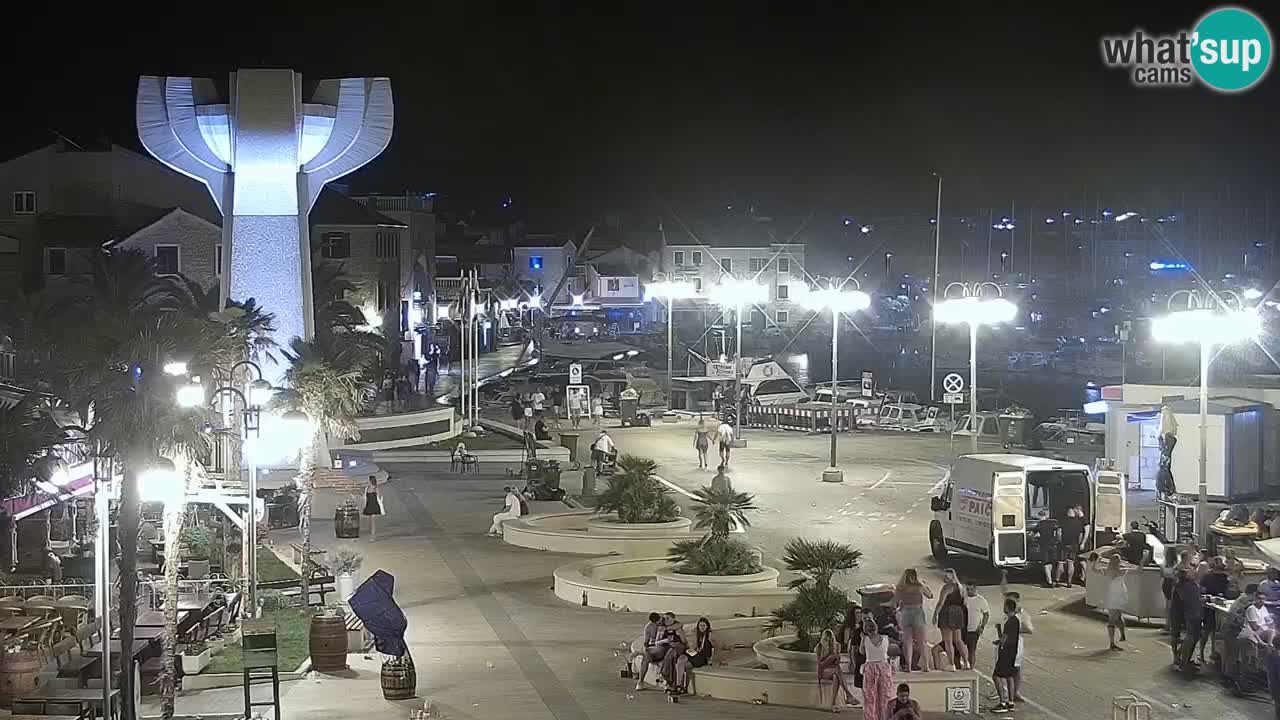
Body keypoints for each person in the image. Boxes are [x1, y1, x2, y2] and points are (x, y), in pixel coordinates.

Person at [895, 568, 933, 673]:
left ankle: (909, 666)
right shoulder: (919, 587)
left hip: (906, 613)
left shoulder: (901, 588)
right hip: (917, 612)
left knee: (908, 641)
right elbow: (930, 595)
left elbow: (897, 601)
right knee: (921, 641)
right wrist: (925, 585)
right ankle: (926, 666)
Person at [934, 569, 970, 670]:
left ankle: (951, 664)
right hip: (958, 613)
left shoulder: (947, 587)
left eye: (944, 576)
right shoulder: (960, 587)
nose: (943, 578)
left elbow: (941, 602)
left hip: (947, 613)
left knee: (948, 641)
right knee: (958, 640)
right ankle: (967, 662)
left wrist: (935, 613)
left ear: (948, 577)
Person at [861, 617, 894, 720]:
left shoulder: (865, 639)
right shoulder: (885, 638)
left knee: (870, 696)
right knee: (885, 695)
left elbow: (862, 652)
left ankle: (871, 717)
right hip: (883, 666)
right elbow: (889, 650)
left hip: (870, 667)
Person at [991, 598, 1021, 714]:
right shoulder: (1016, 620)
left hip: (1006, 653)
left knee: (996, 676)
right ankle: (1011, 702)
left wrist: (999, 635)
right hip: (1013, 652)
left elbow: (1004, 639)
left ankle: (1002, 702)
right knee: (1009, 676)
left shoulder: (1009, 622)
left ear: (1008, 608)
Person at [1199, 556, 1231, 663]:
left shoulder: (1224, 577)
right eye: (1220, 562)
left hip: (1220, 606)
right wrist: (1210, 598)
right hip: (1209, 607)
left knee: (1215, 632)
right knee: (1207, 630)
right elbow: (1202, 591)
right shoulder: (1207, 576)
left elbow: (1228, 591)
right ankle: (1202, 653)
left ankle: (1213, 652)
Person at [816, 628, 856, 711]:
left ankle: (833, 703)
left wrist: (836, 656)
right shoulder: (819, 646)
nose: (828, 641)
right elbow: (820, 664)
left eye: (830, 639)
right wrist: (830, 656)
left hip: (834, 670)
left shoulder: (837, 645)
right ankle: (848, 695)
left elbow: (837, 662)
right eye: (826, 639)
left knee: (836, 676)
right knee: (837, 669)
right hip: (824, 671)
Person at [1172, 568, 1204, 671]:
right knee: (1191, 637)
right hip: (1193, 613)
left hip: (1186, 613)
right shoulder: (1190, 586)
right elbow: (1195, 599)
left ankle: (1181, 658)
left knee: (1190, 636)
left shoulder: (1181, 586)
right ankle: (1183, 661)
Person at [1096, 553, 1128, 650]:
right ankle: (1113, 642)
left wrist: (1097, 560)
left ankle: (1118, 637)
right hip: (1120, 595)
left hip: (1111, 595)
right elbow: (1138, 570)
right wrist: (1143, 560)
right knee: (1115, 617)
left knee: (1115, 617)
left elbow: (1094, 569)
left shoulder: (1107, 570)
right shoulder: (1122, 571)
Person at [674, 617, 713, 695]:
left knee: (687, 665)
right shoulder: (696, 634)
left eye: (704, 626)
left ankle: (683, 686)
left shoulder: (709, 635)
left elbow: (712, 649)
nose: (702, 627)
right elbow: (690, 644)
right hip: (693, 654)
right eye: (700, 625)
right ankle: (679, 685)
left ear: (707, 626)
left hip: (702, 657)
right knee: (681, 660)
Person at [634, 613, 667, 691]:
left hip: (663, 646)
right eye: (656, 623)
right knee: (646, 656)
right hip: (653, 648)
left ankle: (640, 681)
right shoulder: (649, 627)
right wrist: (646, 648)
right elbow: (646, 642)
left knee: (653, 652)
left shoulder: (666, 622)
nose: (659, 623)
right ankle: (640, 682)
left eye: (660, 621)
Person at [962, 581, 990, 669]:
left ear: (975, 589)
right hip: (962, 628)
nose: (969, 591)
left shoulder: (981, 600)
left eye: (971, 589)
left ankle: (971, 668)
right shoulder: (963, 599)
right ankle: (961, 665)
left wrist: (982, 626)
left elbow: (986, 614)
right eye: (967, 589)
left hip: (974, 630)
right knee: (960, 649)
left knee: (972, 650)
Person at [1059, 504, 1088, 585]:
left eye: (1075, 511)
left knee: (1081, 561)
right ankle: (1082, 578)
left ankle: (1085, 579)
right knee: (1077, 561)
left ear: (1078, 510)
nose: (1074, 513)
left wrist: (1082, 543)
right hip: (1078, 543)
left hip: (1081, 543)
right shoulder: (1080, 520)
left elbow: (1084, 533)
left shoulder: (1083, 520)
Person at [657, 613, 688, 690]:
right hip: (668, 647)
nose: (666, 620)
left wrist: (676, 641)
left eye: (668, 618)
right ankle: (670, 682)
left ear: (673, 619)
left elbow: (684, 641)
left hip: (678, 647)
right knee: (671, 657)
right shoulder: (662, 628)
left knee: (671, 653)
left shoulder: (678, 628)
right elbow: (657, 641)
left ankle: (664, 675)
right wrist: (666, 641)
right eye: (665, 619)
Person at [1035, 509, 1061, 588]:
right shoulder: (1052, 523)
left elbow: (1037, 535)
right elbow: (1057, 532)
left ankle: (1049, 581)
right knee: (1051, 562)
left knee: (1046, 563)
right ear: (1046, 516)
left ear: (1040, 516)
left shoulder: (1039, 524)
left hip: (1044, 544)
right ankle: (1052, 579)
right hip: (1052, 544)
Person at [362, 475, 384, 541]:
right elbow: (365, 497)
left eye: (368, 480)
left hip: (374, 505)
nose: (367, 481)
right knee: (369, 521)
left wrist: (381, 505)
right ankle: (370, 533)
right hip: (368, 505)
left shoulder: (375, 488)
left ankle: (373, 536)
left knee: (372, 521)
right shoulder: (367, 488)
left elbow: (379, 497)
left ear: (371, 481)